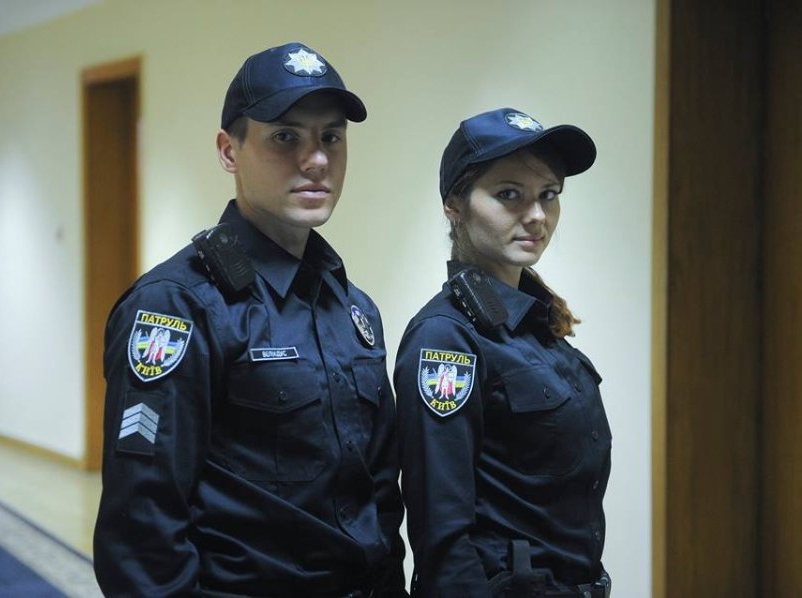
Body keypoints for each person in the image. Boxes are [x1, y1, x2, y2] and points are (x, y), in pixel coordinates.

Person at [93, 42, 406, 597]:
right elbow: (142, 531)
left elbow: (378, 496)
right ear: (228, 151)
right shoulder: (176, 306)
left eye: (331, 137)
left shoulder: (354, 308)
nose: (316, 160)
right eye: (286, 137)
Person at [394, 108, 612, 597]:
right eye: (509, 194)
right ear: (454, 205)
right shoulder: (446, 339)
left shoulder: (538, 326)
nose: (536, 215)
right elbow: (443, 541)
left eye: (548, 194)